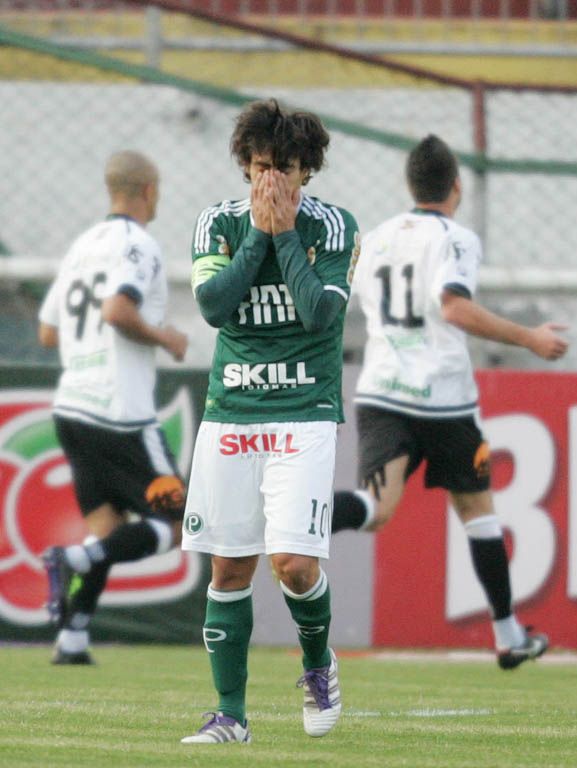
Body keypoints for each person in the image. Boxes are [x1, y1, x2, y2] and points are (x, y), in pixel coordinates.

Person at [331, 134, 568, 670]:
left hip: (384, 392)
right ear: (456, 185)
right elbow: (454, 308)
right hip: (443, 398)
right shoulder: (456, 237)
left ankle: (302, 519)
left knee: (376, 509)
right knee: (478, 512)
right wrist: (530, 338)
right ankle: (507, 636)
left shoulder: (375, 238)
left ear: (410, 184)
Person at [180, 98, 360, 745]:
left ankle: (318, 665)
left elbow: (318, 315)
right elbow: (213, 305)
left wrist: (284, 234)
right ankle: (231, 714)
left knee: (293, 564)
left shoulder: (334, 228)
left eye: (284, 169)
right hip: (231, 413)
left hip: (304, 410)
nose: (271, 182)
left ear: (307, 170)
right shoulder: (216, 225)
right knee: (229, 569)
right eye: (261, 167)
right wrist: (259, 232)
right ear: (244, 165)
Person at [38, 150, 188, 665]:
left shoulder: (82, 246)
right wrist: (164, 337)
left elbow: (47, 330)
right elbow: (117, 309)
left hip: (73, 409)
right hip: (119, 411)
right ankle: (74, 558)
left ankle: (72, 636)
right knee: (181, 523)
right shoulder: (138, 245)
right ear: (148, 189)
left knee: (107, 523)